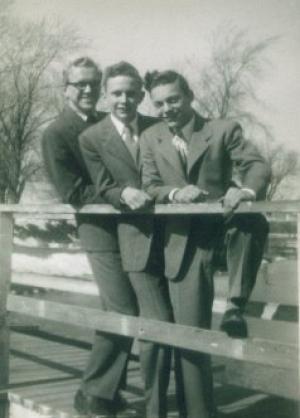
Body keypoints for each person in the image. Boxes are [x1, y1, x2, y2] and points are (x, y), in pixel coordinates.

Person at [140, 70, 270, 418]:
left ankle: (235, 307)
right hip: (183, 243)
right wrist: (173, 193)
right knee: (190, 335)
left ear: (190, 95)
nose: (167, 108)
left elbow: (256, 164)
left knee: (254, 219)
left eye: (173, 100)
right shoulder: (151, 137)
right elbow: (150, 184)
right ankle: (198, 411)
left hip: (224, 228)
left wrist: (243, 190)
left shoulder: (223, 129)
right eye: (159, 103)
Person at [42, 57, 138, 418]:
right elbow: (74, 192)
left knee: (127, 307)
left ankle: (109, 390)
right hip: (99, 231)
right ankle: (93, 392)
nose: (86, 90)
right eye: (79, 84)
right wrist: (122, 196)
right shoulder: (56, 133)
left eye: (92, 84)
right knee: (122, 309)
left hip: (131, 229)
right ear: (66, 89)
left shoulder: (106, 122)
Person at [79, 61, 172, 418]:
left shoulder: (157, 125)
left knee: (167, 320)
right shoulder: (91, 137)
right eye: (116, 93)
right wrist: (123, 194)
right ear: (105, 94)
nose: (124, 100)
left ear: (142, 95)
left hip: (170, 239)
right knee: (152, 319)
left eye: (132, 93)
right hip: (131, 237)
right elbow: (102, 185)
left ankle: (159, 405)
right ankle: (154, 408)